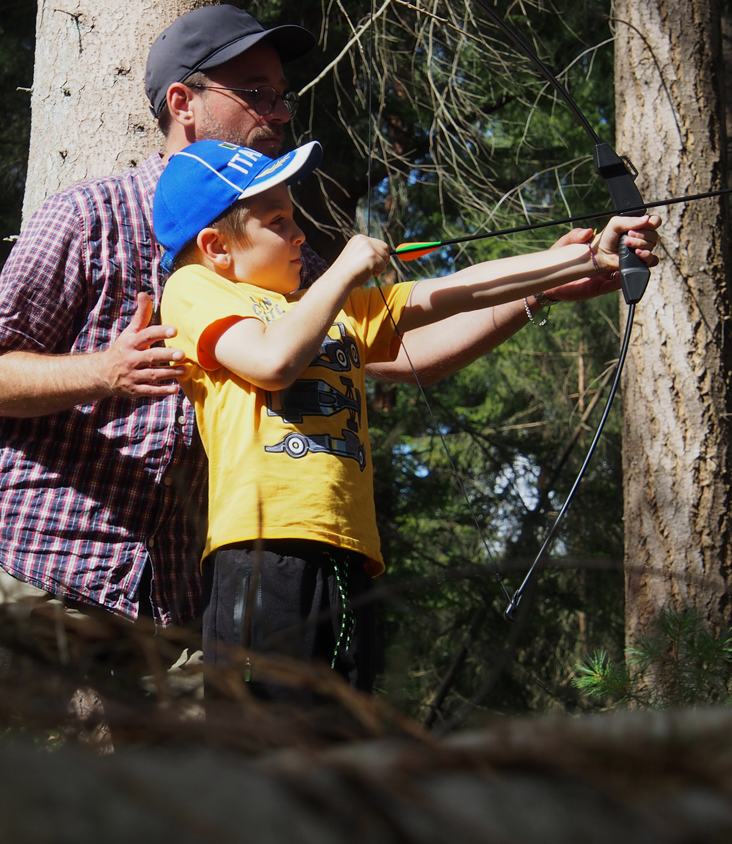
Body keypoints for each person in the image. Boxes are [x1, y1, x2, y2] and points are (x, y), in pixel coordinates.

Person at [0, 3, 637, 633]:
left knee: (250, 758)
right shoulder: (87, 215)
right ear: (182, 103)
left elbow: (402, 348)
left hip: (178, 605)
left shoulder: (290, 263)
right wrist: (106, 371)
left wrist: (543, 284)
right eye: (254, 93)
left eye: (281, 96)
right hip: (39, 570)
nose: (278, 113)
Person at [155, 139, 661, 695]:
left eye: (295, 217)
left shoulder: (327, 307)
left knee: (343, 742)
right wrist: (343, 272)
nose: (299, 234)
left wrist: (585, 258)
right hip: (264, 551)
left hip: (349, 553)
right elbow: (272, 361)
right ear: (216, 247)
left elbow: (457, 291)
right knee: (265, 743)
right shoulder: (194, 287)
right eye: (278, 221)